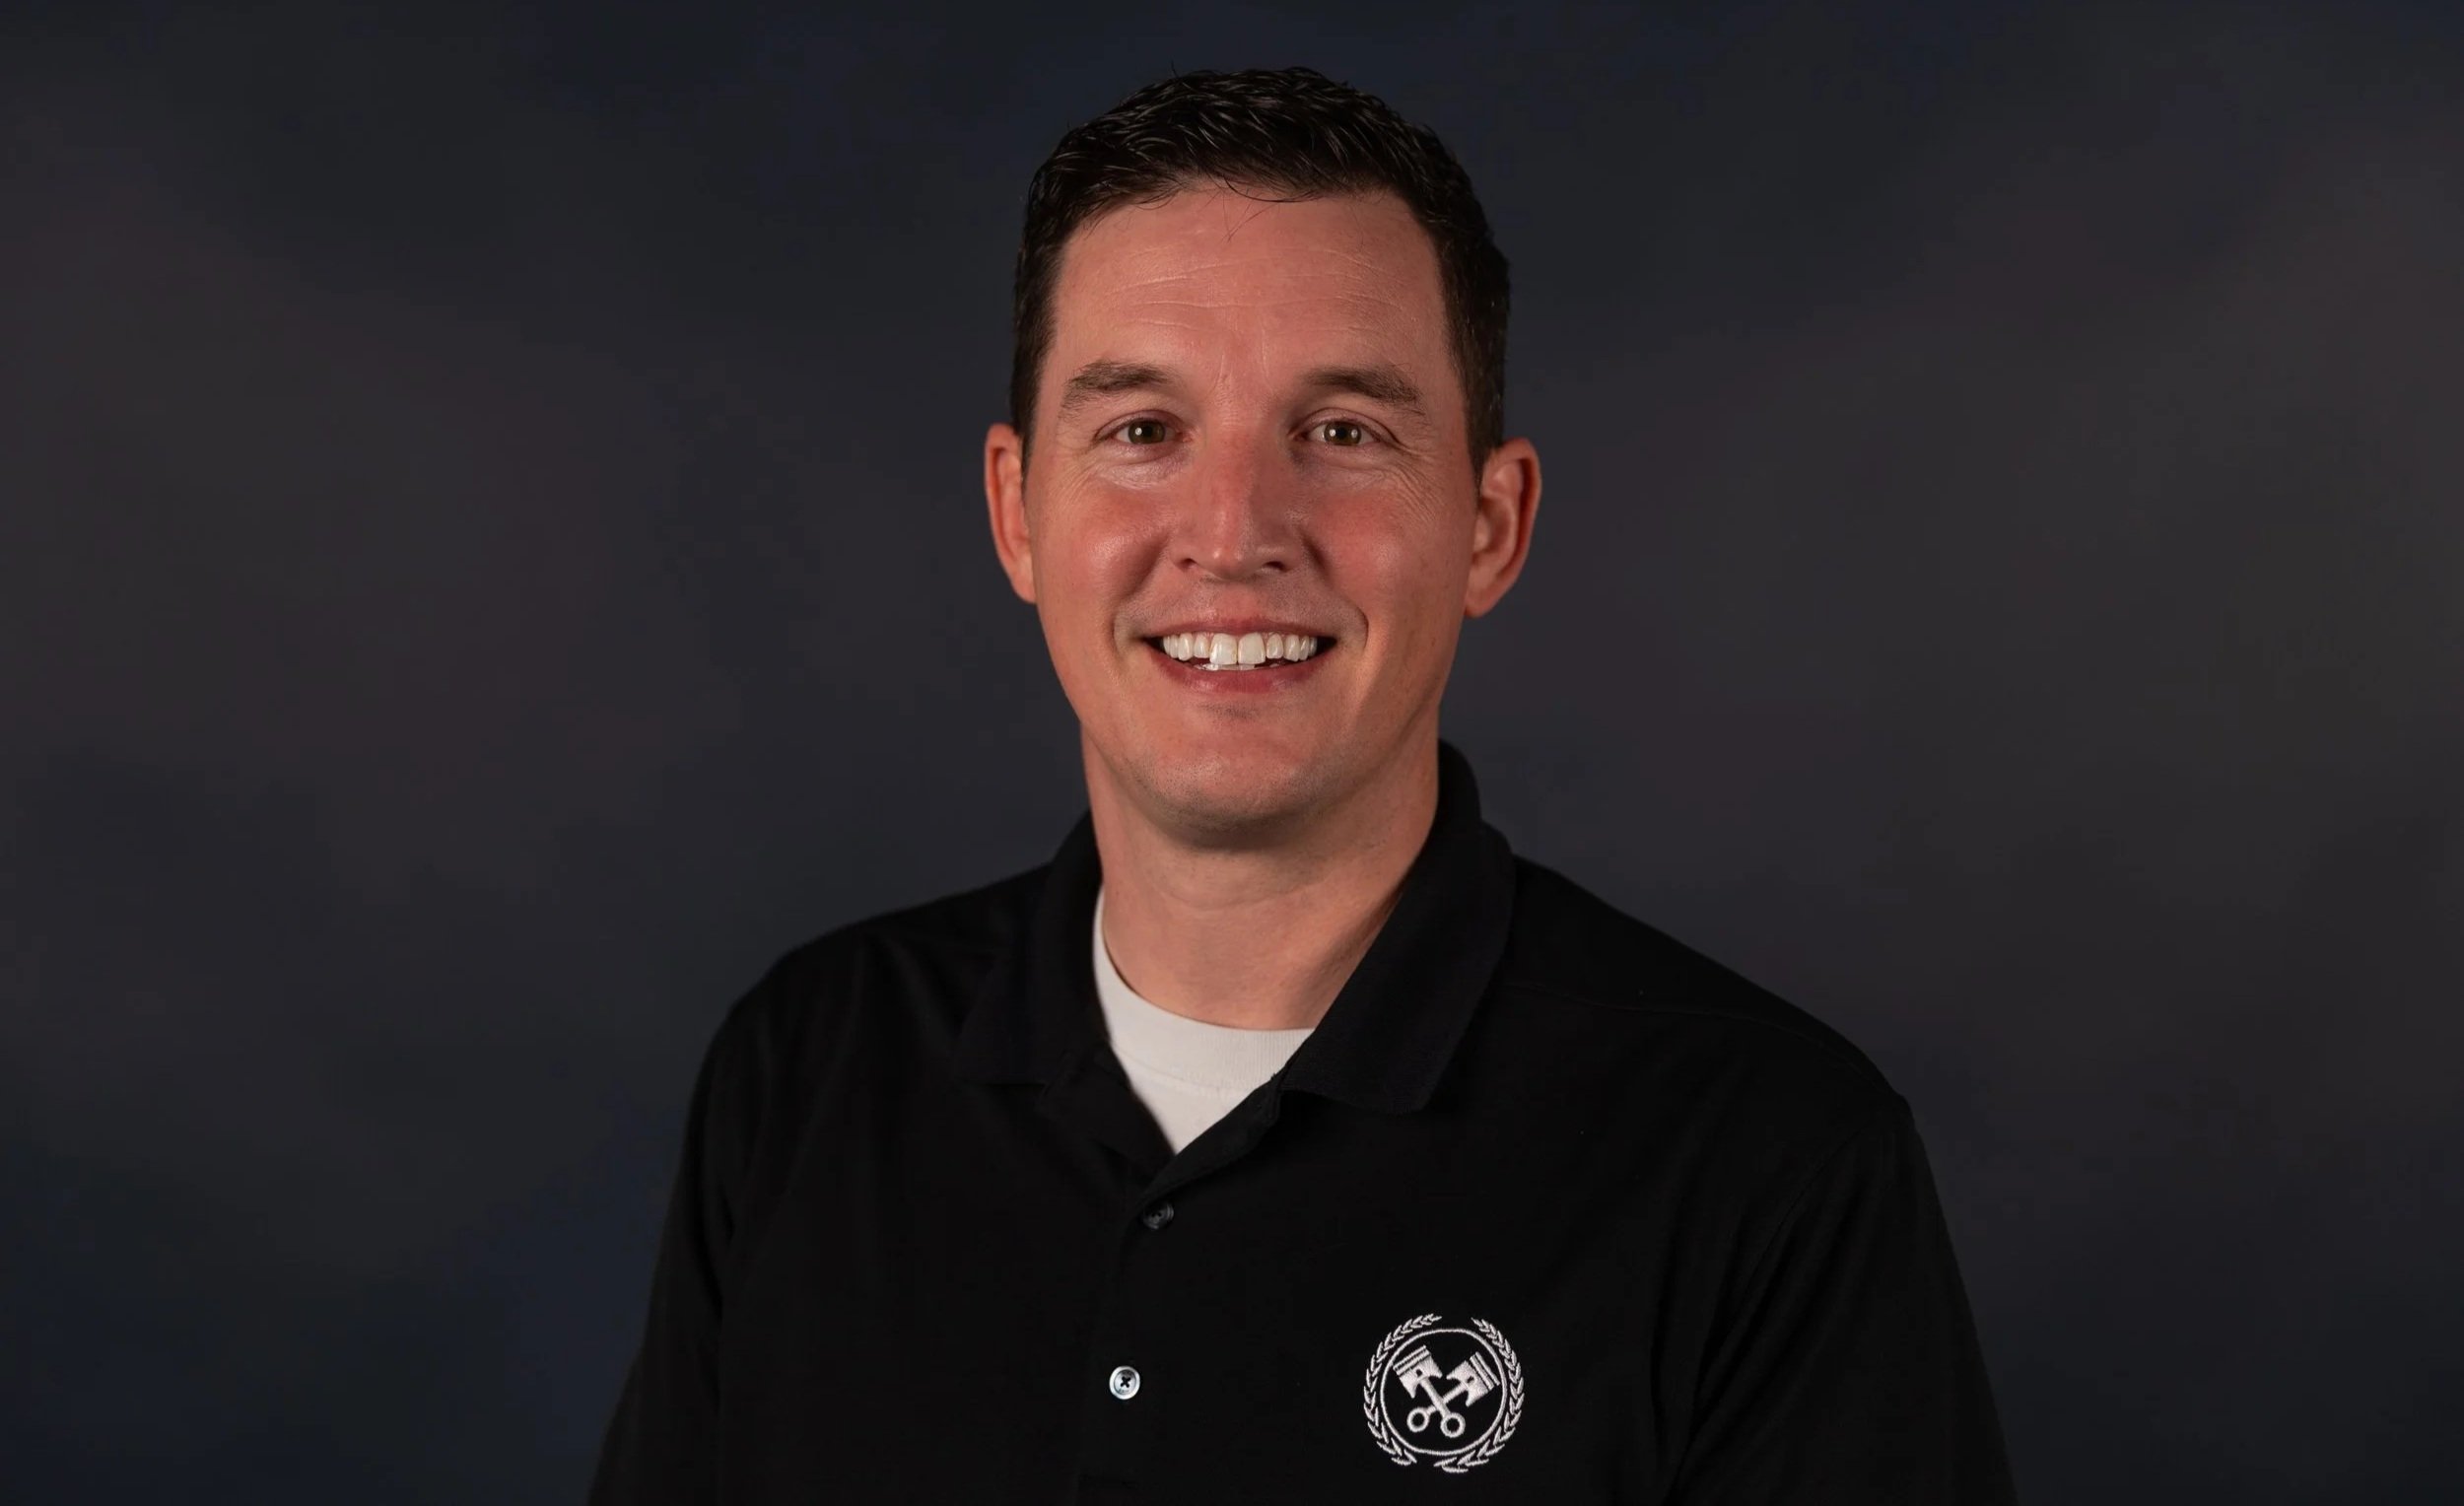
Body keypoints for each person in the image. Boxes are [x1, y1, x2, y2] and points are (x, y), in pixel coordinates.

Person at [588, 65, 2018, 1505]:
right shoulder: (807, 1070)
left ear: (1490, 524)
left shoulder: (1766, 1161)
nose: (1233, 533)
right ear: (1018, 513)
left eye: (1342, 431)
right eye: (1143, 431)